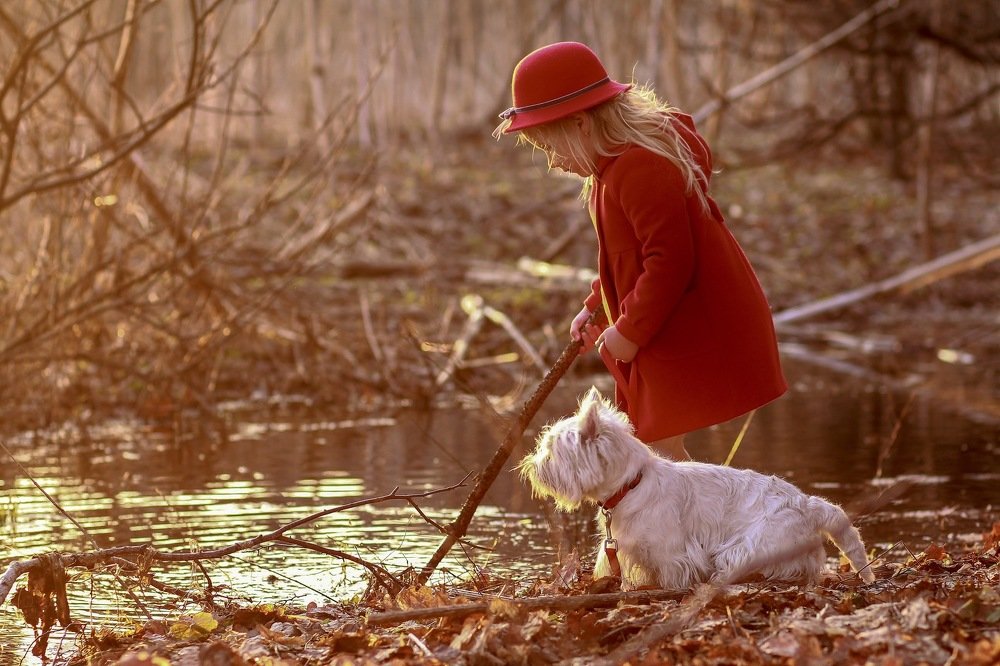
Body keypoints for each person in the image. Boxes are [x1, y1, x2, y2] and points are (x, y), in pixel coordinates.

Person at [494, 41, 786, 460]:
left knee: (655, 450)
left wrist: (629, 332)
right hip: (661, 320)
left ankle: (696, 526)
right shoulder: (608, 175)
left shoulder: (638, 168)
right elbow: (625, 258)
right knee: (653, 449)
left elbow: (669, 260)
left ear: (580, 125)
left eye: (550, 147)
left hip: (689, 321)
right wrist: (596, 305)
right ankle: (687, 526)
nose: (552, 163)